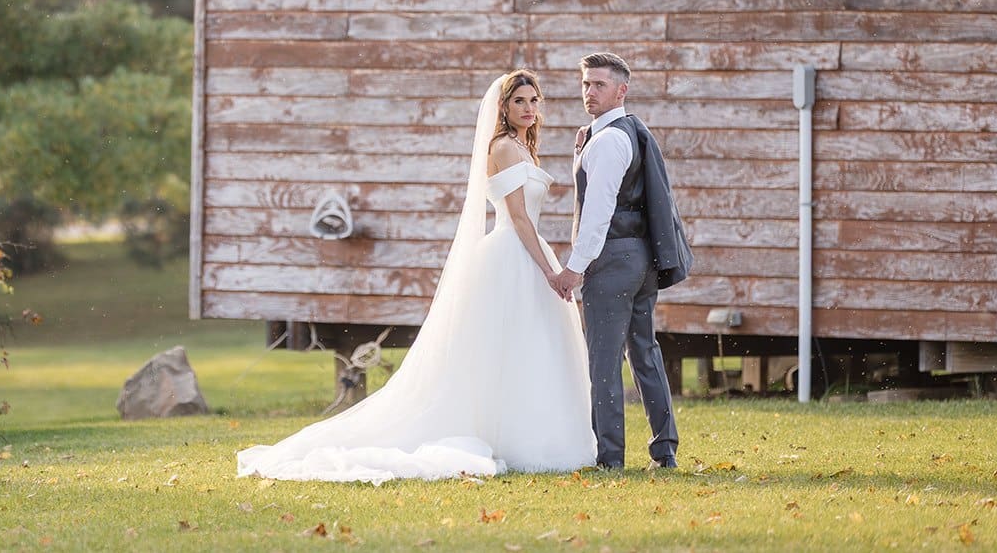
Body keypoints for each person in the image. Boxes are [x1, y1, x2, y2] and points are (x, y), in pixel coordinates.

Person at [235, 70, 596, 483]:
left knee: (533, 345)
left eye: (534, 101)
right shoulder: (503, 148)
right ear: (504, 107)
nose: (529, 109)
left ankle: (540, 436)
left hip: (528, 252)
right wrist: (551, 270)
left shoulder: (524, 148)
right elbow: (517, 217)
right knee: (506, 347)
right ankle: (512, 438)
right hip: (512, 254)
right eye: (520, 102)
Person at [548, 52, 689, 470]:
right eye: (586, 84)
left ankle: (609, 458)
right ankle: (664, 452)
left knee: (604, 360)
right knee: (644, 353)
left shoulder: (609, 140)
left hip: (612, 259)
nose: (589, 92)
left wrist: (574, 267)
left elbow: (597, 213)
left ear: (621, 90)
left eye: (599, 85)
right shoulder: (622, 130)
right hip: (641, 257)